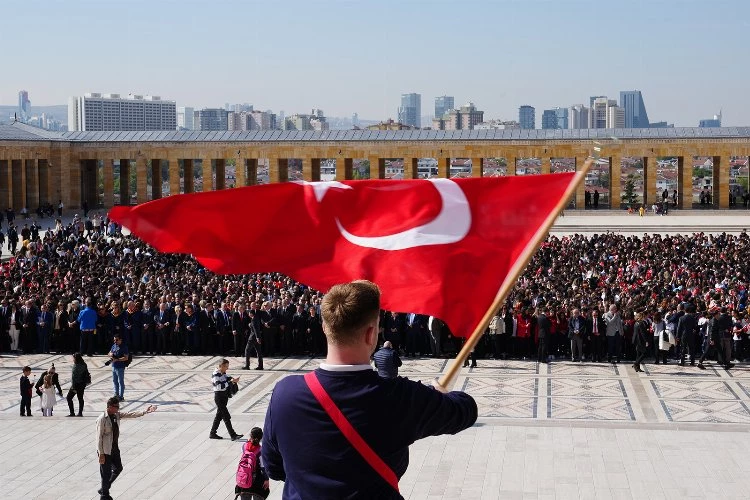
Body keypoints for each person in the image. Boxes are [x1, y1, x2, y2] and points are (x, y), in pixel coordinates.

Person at [262, 280, 477, 498]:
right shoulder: (399, 397)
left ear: (325, 327)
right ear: (371, 333)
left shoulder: (284, 393)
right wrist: (438, 395)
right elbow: (465, 410)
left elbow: (274, 467)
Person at [95, 397, 157, 500]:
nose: (118, 409)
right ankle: (104, 496)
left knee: (118, 468)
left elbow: (130, 414)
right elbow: (98, 437)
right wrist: (101, 453)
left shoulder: (116, 415)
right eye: (116, 407)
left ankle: (104, 488)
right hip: (105, 451)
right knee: (106, 473)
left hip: (114, 448)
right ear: (110, 407)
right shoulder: (102, 419)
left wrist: (145, 411)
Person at [210, 359, 243, 441]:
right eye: (225, 367)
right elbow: (219, 386)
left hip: (224, 396)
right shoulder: (215, 375)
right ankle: (233, 435)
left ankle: (212, 433)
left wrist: (233, 379)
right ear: (220, 366)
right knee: (226, 416)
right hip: (219, 397)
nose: (227, 369)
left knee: (219, 416)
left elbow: (227, 377)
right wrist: (230, 382)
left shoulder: (222, 373)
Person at [234, 427, 270, 499]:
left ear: (251, 436)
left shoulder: (244, 446)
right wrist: (266, 479)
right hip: (256, 480)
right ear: (261, 438)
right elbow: (263, 467)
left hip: (244, 478)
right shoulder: (261, 451)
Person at [67, 353, 90, 417]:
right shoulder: (84, 364)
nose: (73, 359)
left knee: (69, 398)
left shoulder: (76, 366)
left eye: (73, 358)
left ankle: (72, 412)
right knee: (80, 398)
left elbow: (74, 377)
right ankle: (80, 412)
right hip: (82, 384)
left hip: (76, 385)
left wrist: (73, 387)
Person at [108, 334, 129, 402]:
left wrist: (118, 359)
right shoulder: (114, 346)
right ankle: (116, 394)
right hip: (114, 366)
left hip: (120, 367)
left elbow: (126, 358)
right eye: (114, 340)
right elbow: (109, 353)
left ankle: (121, 396)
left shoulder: (124, 347)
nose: (115, 341)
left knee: (121, 382)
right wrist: (111, 354)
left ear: (120, 340)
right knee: (115, 381)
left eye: (116, 340)